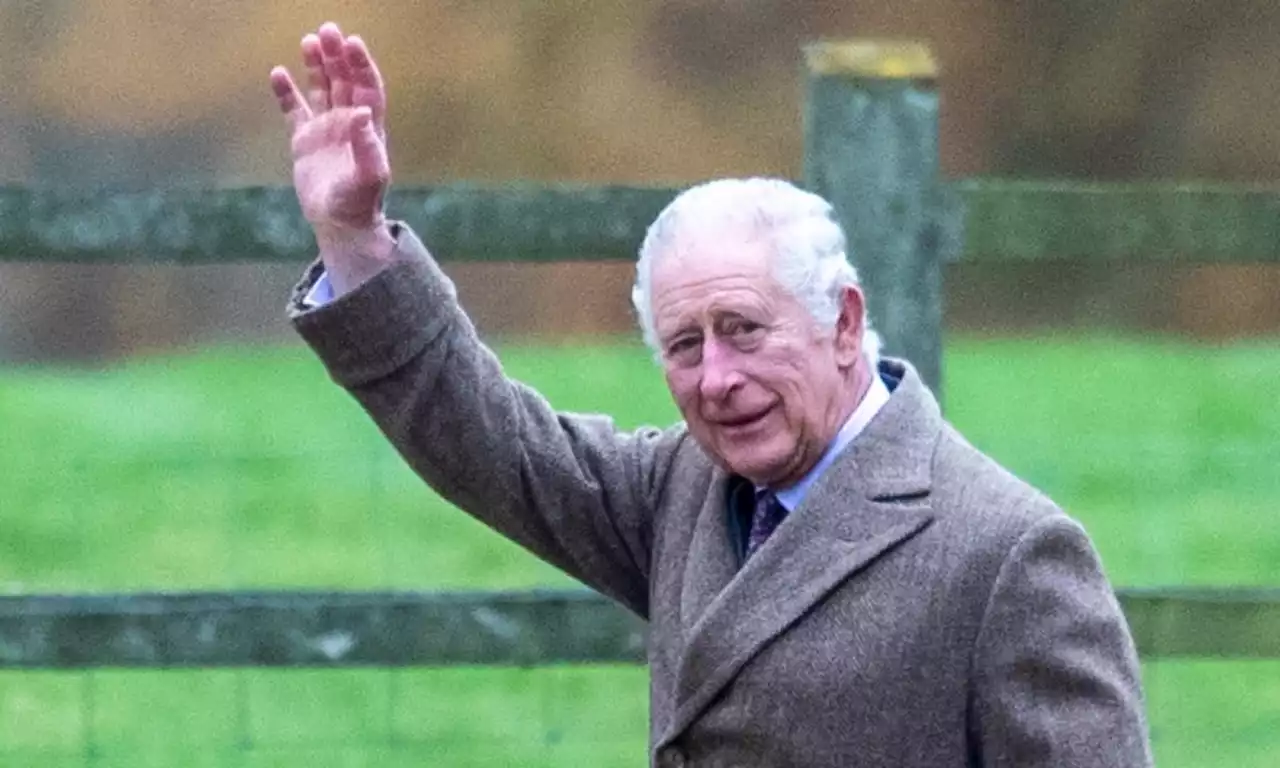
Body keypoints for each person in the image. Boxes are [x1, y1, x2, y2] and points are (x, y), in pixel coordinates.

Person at [270, 21, 1152, 768]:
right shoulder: (684, 488)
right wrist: (353, 239)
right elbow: (488, 442)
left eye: (745, 329)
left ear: (843, 323)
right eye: (684, 346)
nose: (717, 380)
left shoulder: (1011, 557)